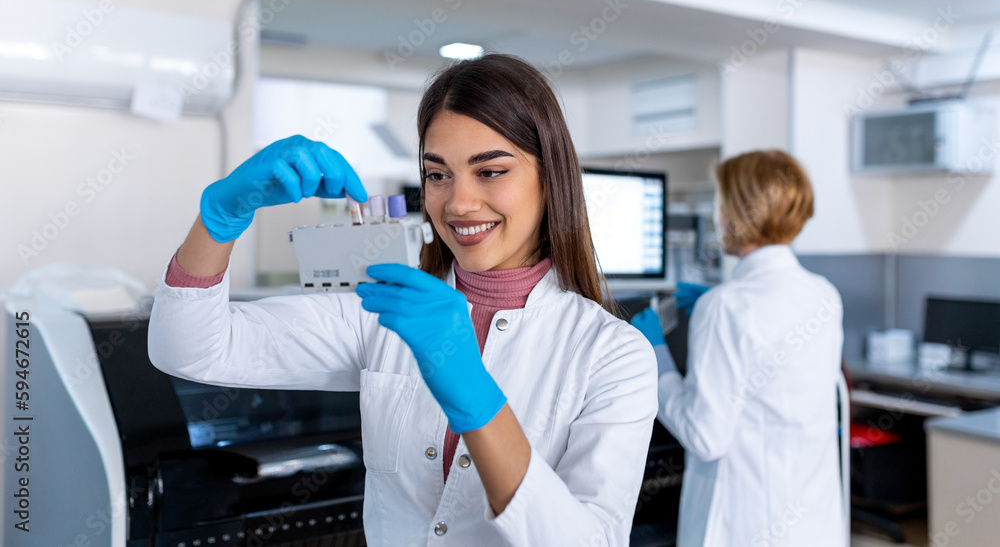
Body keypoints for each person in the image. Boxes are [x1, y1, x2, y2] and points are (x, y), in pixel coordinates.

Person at [147, 53, 658, 546]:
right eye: (437, 174)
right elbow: (190, 349)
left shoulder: (611, 354)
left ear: (551, 179)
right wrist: (221, 216)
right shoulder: (384, 313)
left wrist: (474, 393)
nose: (457, 203)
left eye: (491, 171)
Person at [631, 150, 845, 547]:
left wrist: (654, 355)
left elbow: (704, 435)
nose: (717, 217)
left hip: (742, 525)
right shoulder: (823, 295)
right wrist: (720, 298)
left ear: (738, 214)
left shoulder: (726, 308)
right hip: (811, 522)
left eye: (720, 203)